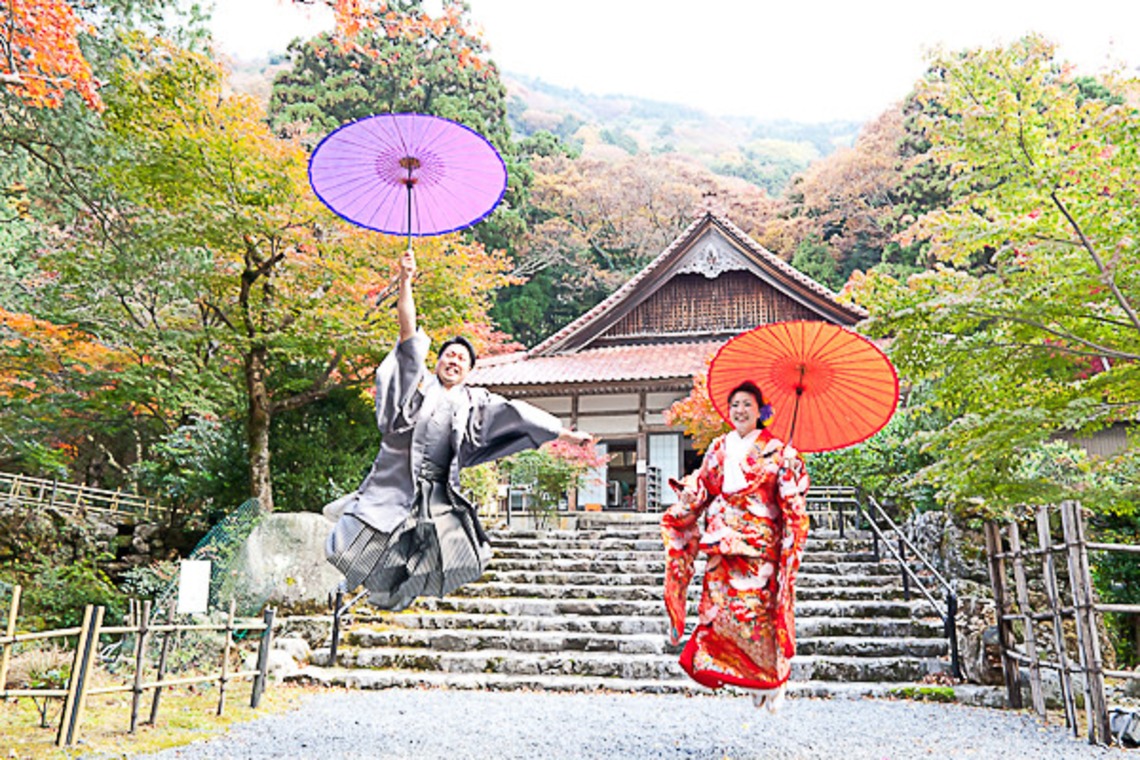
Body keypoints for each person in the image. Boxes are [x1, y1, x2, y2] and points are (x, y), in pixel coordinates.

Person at [326, 249, 592, 611]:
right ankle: (351, 580)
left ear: (469, 371)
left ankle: (391, 589)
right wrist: (405, 281)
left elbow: (519, 415)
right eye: (449, 355)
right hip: (395, 477)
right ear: (437, 362)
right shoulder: (418, 383)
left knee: (448, 550)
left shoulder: (476, 402)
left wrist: (566, 435)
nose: (453, 361)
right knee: (363, 531)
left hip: (436, 490)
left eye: (461, 359)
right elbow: (408, 335)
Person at [661, 380, 810, 711]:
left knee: (759, 616)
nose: (740, 411)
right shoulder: (718, 448)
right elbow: (704, 485)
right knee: (721, 616)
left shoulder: (778, 450)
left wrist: (791, 468)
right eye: (735, 405)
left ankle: (771, 680)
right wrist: (690, 495)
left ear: (760, 411)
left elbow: (791, 499)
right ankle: (745, 677)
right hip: (722, 547)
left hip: (759, 548)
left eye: (747, 404)